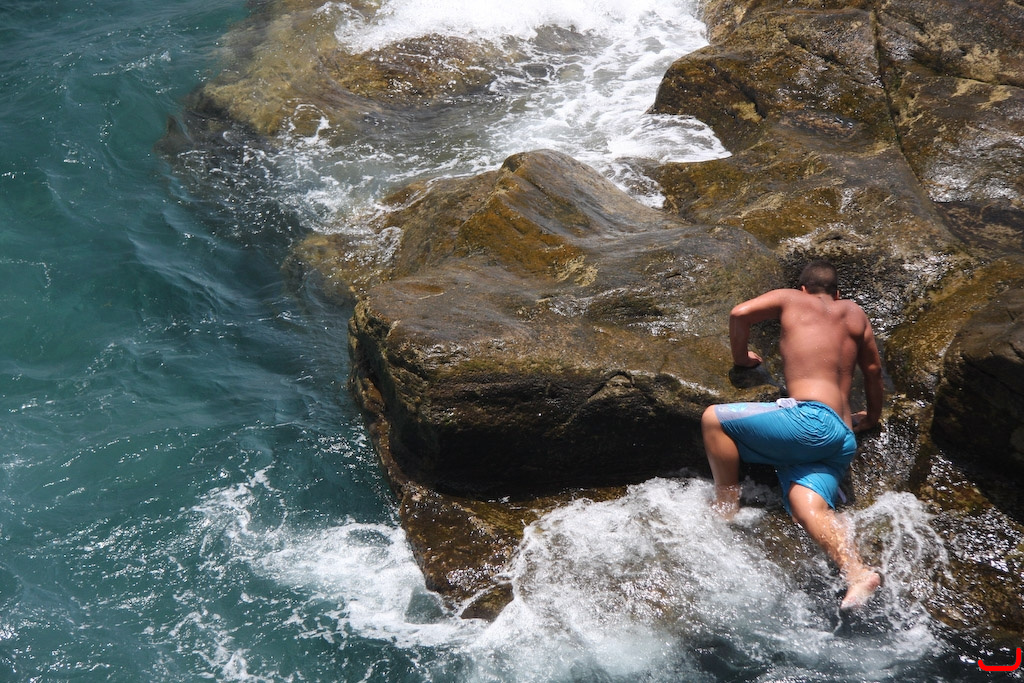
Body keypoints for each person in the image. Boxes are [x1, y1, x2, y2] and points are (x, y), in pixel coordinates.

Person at [701, 260, 884, 611]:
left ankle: (726, 503)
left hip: (810, 422)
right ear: (837, 293)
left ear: (803, 289)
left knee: (713, 419)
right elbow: (873, 370)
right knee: (806, 508)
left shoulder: (792, 298)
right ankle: (858, 572)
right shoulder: (855, 313)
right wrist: (872, 417)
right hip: (841, 438)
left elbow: (739, 313)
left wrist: (742, 359)